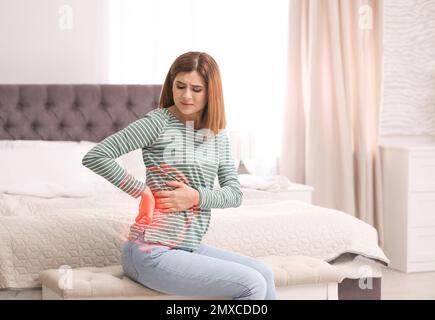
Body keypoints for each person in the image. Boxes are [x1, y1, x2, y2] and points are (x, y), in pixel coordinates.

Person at [82, 51, 277, 300]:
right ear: (171, 84)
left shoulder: (217, 135)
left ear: (210, 92)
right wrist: (141, 191)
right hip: (150, 250)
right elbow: (97, 156)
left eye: (196, 89)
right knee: (251, 284)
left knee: (264, 273)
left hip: (186, 247)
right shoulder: (157, 123)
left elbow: (234, 195)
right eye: (180, 86)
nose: (186, 95)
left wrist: (196, 197)